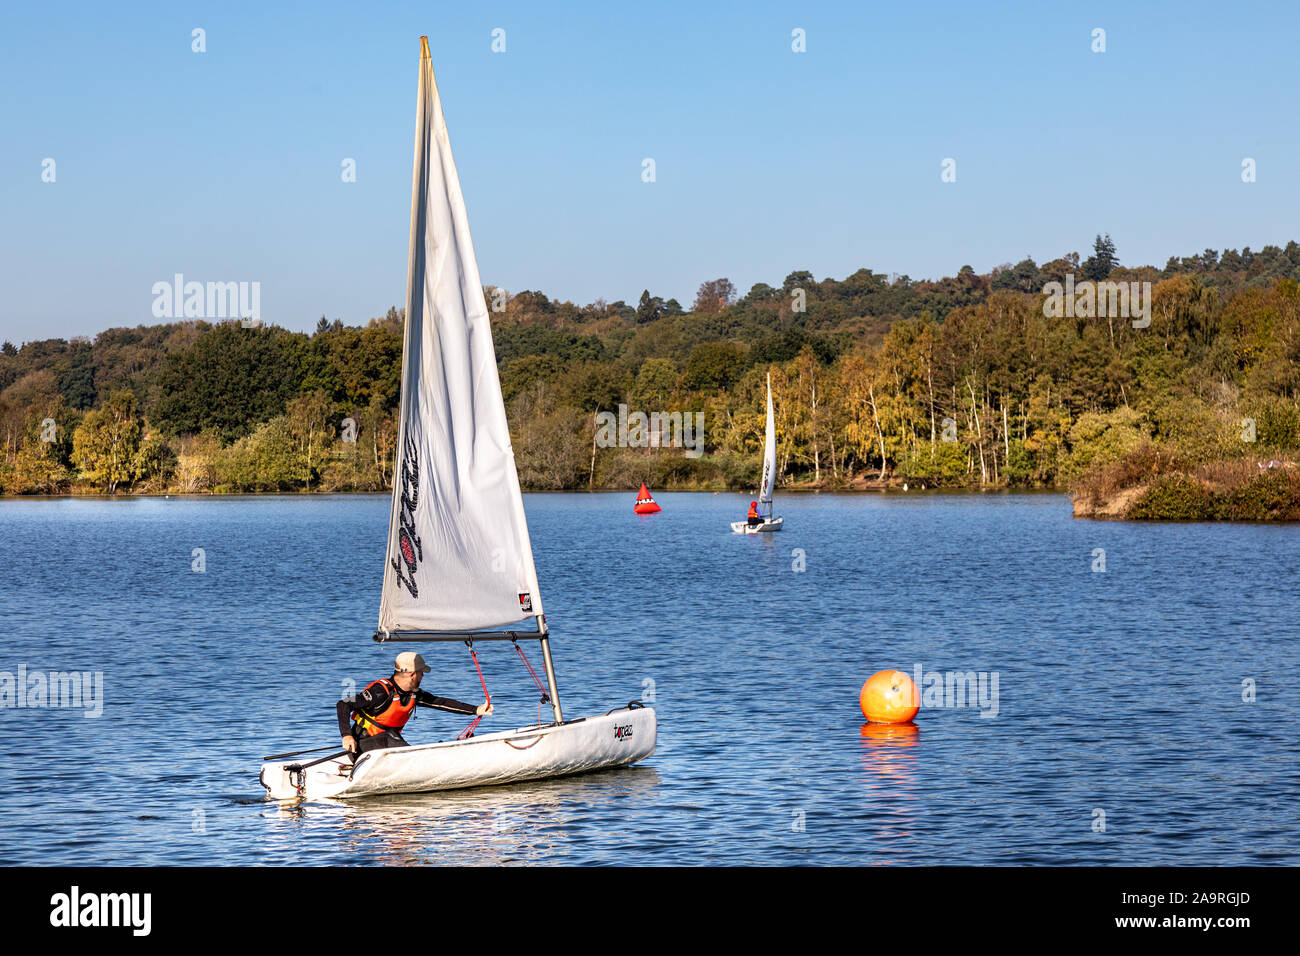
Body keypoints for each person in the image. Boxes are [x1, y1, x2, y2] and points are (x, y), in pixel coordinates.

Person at [338, 651, 492, 760]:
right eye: (421, 672)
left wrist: (476, 709)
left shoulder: (413, 693)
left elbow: (440, 702)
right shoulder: (380, 692)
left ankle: (418, 758)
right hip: (360, 749)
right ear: (412, 674)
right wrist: (346, 735)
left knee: (393, 737)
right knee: (390, 736)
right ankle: (416, 760)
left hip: (386, 749)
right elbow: (343, 704)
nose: (423, 675)